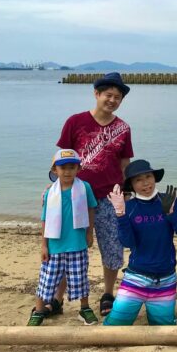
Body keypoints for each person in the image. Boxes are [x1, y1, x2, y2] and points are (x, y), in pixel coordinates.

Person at [56, 72, 133, 317]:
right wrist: (55, 187)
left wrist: (126, 192)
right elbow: (62, 159)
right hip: (76, 196)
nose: (112, 100)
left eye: (117, 97)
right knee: (69, 247)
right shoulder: (75, 122)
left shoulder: (123, 128)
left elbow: (125, 162)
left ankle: (108, 293)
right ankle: (57, 298)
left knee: (112, 246)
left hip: (110, 196)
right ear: (96, 94)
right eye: (108, 95)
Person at [103, 160, 177, 326]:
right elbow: (128, 242)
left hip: (165, 279)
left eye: (148, 176)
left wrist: (171, 213)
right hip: (136, 278)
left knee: (163, 328)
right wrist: (120, 215)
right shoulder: (129, 207)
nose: (145, 183)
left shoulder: (168, 199)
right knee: (114, 326)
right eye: (138, 180)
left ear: (154, 178)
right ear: (131, 185)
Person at [28, 150, 98, 326]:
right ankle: (39, 309)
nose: (67, 172)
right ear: (54, 170)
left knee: (80, 277)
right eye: (63, 168)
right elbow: (44, 219)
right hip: (55, 245)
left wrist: (89, 232)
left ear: (78, 169)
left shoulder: (85, 187)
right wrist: (44, 245)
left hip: (77, 243)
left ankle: (84, 308)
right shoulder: (50, 192)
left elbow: (91, 209)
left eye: (71, 167)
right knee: (47, 279)